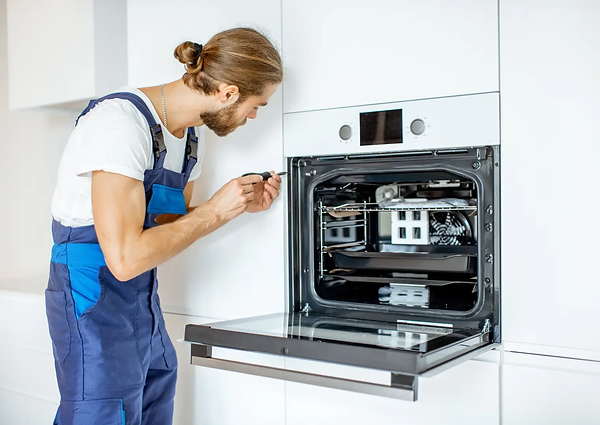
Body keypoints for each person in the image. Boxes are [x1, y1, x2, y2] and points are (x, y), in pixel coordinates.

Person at [45, 27, 283, 425]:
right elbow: (123, 258)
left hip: (141, 298)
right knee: (105, 412)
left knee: (156, 399)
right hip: (91, 294)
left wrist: (236, 206)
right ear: (228, 92)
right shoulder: (120, 124)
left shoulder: (191, 140)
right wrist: (214, 212)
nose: (253, 116)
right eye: (256, 104)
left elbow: (168, 227)